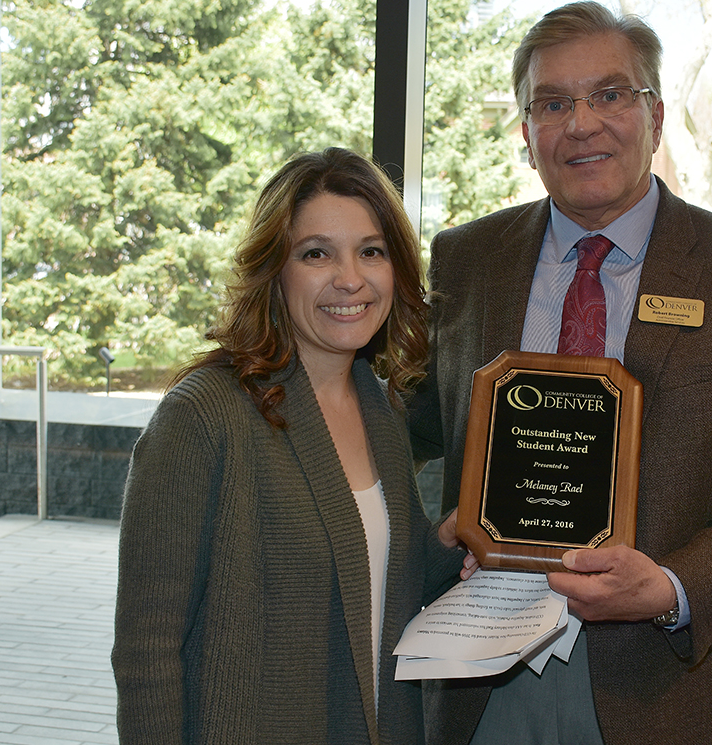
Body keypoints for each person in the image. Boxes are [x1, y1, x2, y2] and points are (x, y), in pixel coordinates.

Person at [409, 1, 712, 744]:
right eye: (552, 103)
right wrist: (435, 538)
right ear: (526, 134)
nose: (582, 123)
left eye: (610, 94)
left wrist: (674, 587)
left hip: (673, 687)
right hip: (484, 683)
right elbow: (405, 425)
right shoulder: (467, 261)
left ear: (656, 115)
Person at [113, 147, 462, 745]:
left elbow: (381, 576)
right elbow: (147, 650)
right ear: (274, 269)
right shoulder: (203, 417)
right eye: (316, 253)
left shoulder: (379, 407)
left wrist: (461, 542)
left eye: (371, 251)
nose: (349, 278)